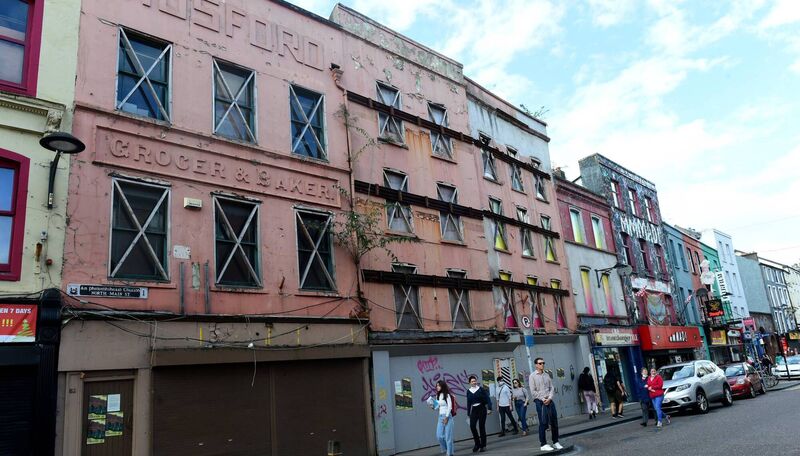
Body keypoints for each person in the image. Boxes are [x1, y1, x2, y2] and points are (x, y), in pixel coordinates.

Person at [529, 357, 563, 452]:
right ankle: (543, 444)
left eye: (543, 363)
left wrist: (550, 398)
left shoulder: (547, 375)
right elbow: (533, 392)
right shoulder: (532, 376)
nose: (542, 364)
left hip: (549, 400)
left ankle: (555, 442)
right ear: (536, 365)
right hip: (540, 401)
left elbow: (551, 387)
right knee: (543, 422)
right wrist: (543, 399)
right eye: (540, 363)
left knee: (554, 421)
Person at [466, 375, 492, 453]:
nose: (474, 382)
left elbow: (487, 398)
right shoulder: (468, 391)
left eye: (475, 381)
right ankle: (477, 444)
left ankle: (483, 445)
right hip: (474, 410)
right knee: (472, 426)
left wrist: (489, 408)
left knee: (481, 427)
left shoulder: (481, 389)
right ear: (469, 383)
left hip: (481, 408)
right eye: (472, 381)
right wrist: (468, 412)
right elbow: (468, 402)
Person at [428, 380, 455, 456]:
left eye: (439, 385)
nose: (437, 387)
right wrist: (432, 407)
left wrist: (446, 417)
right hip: (440, 417)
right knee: (439, 436)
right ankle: (449, 450)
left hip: (447, 417)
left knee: (448, 437)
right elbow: (437, 406)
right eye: (436, 386)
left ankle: (449, 453)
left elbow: (449, 407)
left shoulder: (447, 395)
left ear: (442, 386)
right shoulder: (437, 396)